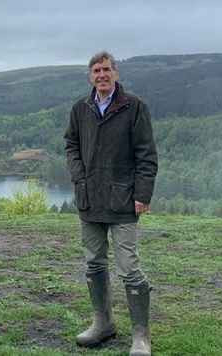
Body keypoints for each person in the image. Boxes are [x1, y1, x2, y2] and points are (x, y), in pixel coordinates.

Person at [64, 51, 158, 356]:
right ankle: (102, 324)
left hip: (123, 200)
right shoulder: (80, 108)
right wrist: (79, 177)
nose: (101, 75)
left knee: (129, 267)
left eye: (106, 70)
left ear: (115, 73)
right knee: (93, 262)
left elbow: (146, 154)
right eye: (96, 71)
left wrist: (143, 194)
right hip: (89, 198)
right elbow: (71, 144)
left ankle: (141, 336)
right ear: (90, 76)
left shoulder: (134, 107)